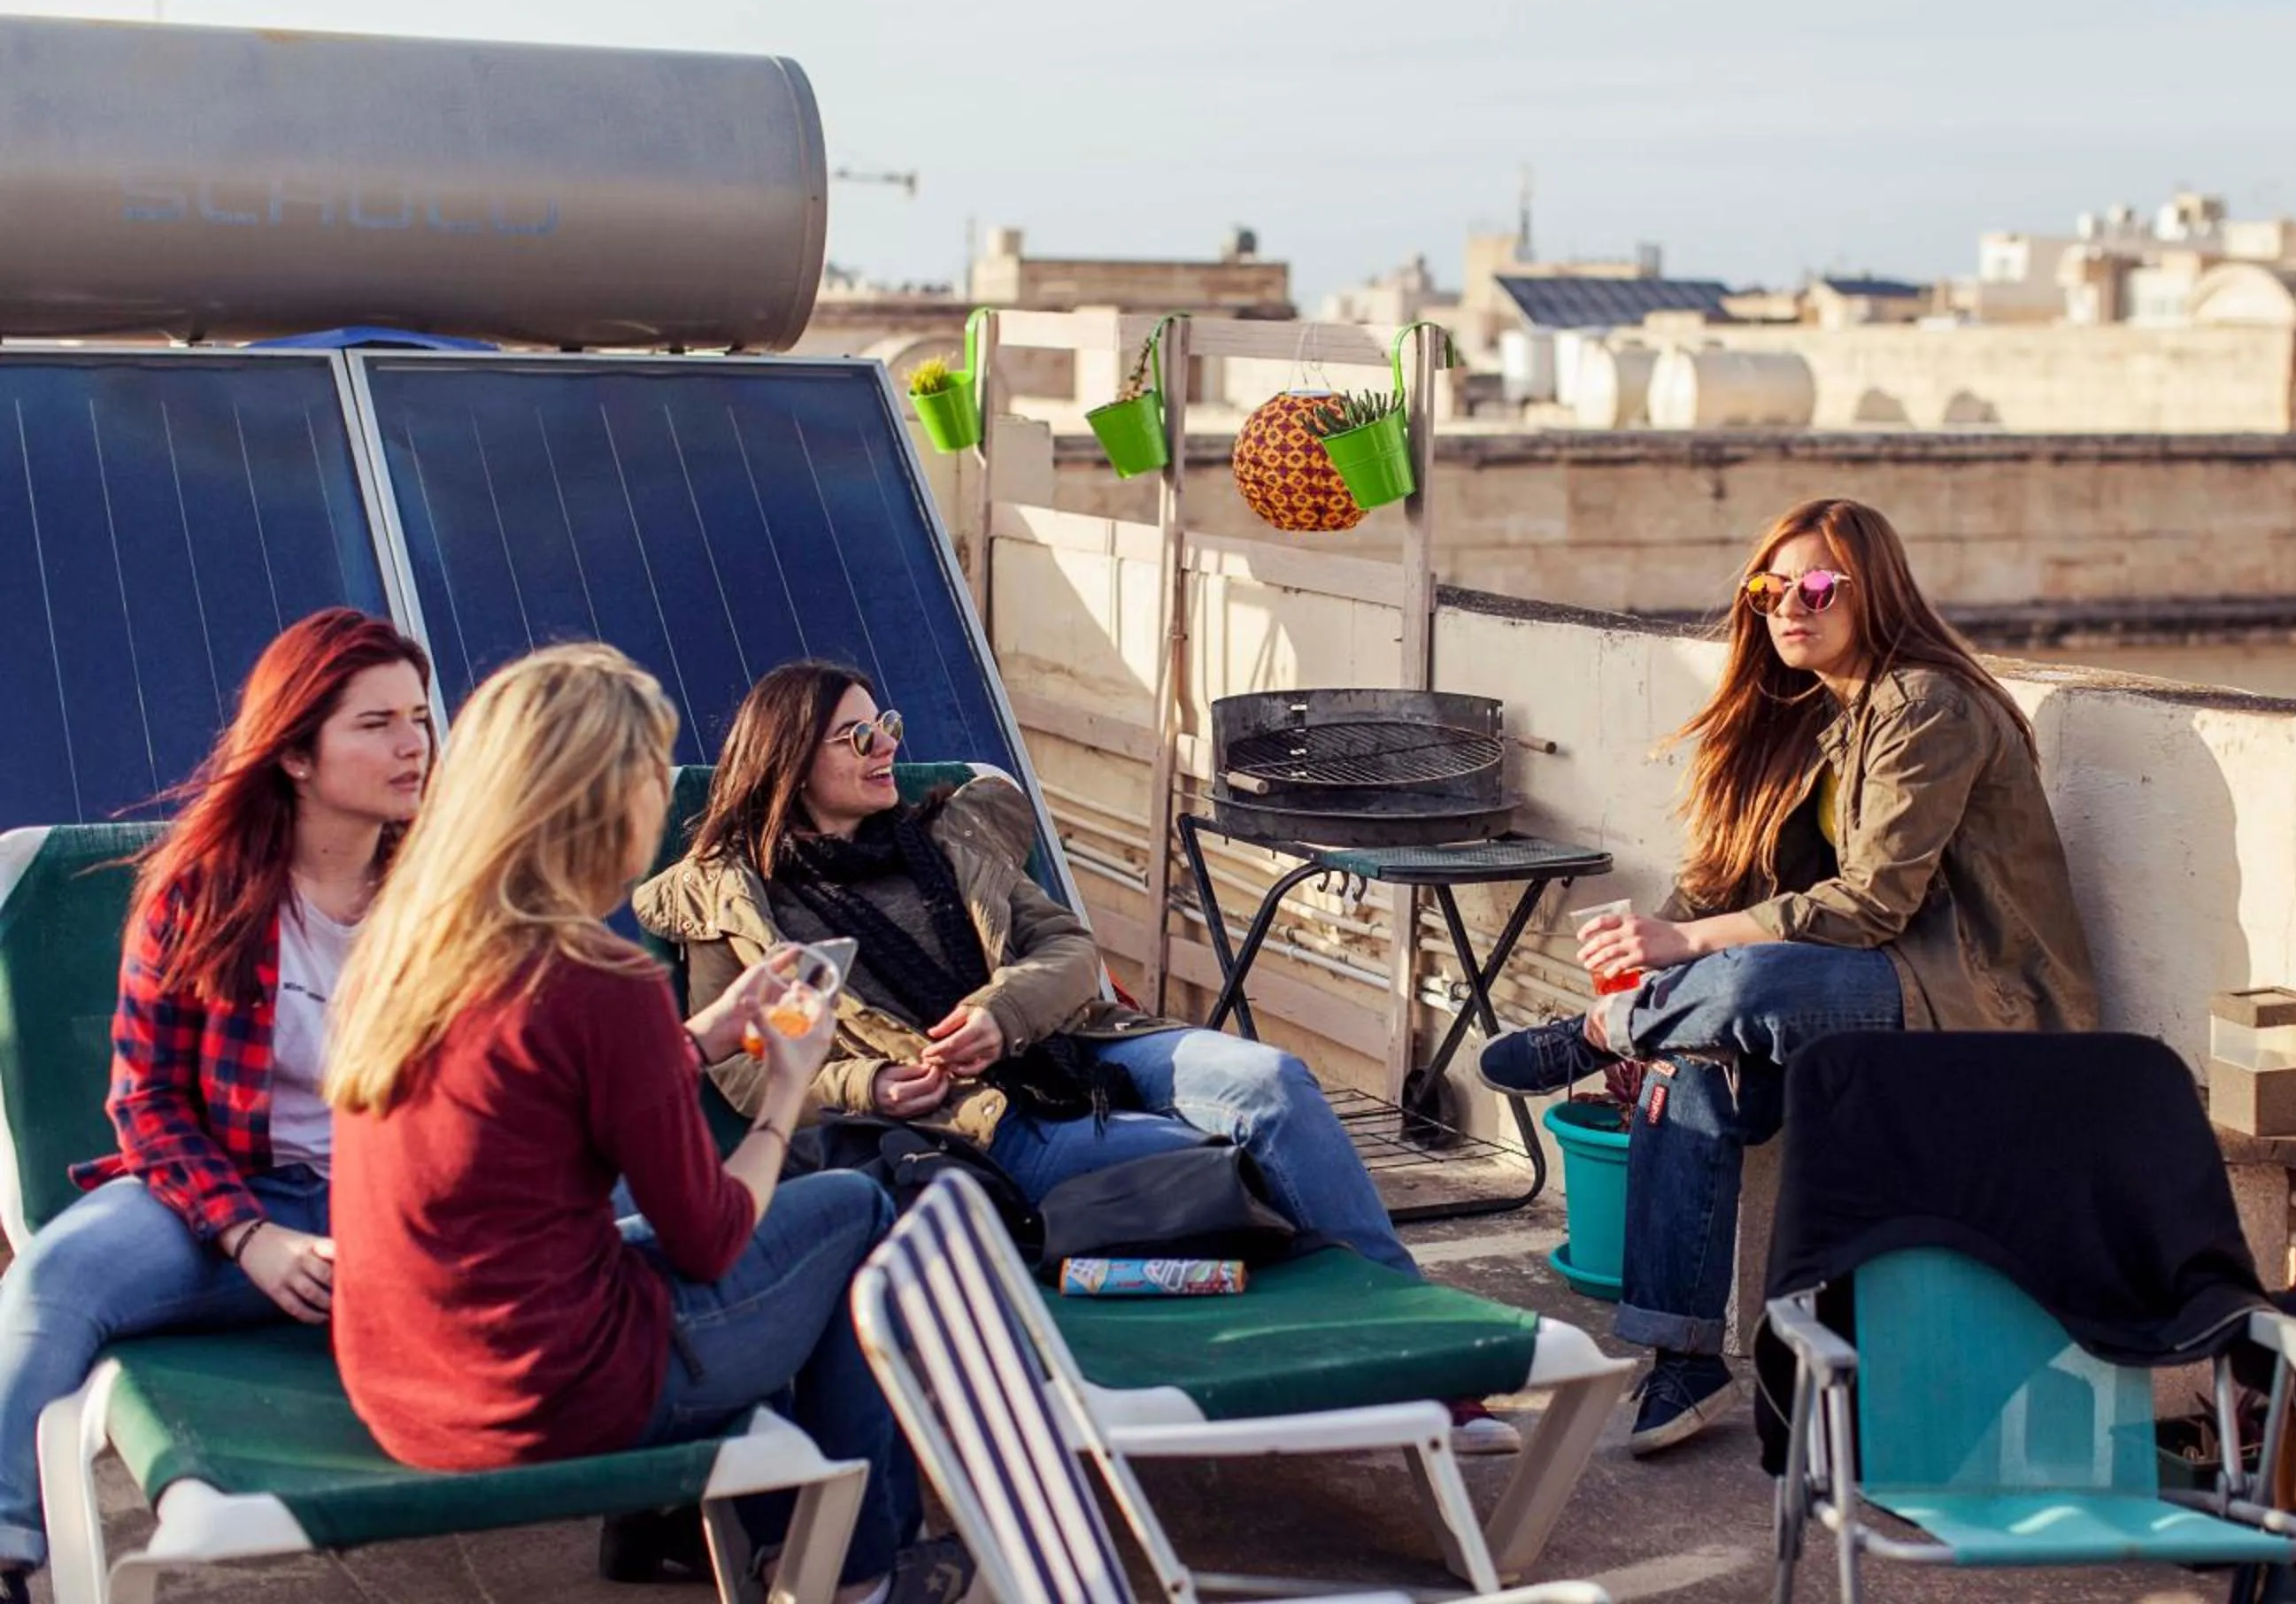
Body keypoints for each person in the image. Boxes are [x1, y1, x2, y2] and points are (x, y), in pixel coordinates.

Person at [634, 659, 1521, 1457]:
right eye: (859, 735)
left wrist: (1001, 1011)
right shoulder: (739, 900)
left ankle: (1426, 1355)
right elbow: (747, 1070)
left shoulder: (946, 838)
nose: (887, 748)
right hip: (973, 1118)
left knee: (1274, 1083)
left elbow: (1067, 948)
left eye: (889, 725)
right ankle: (1315, 1345)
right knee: (1202, 1167)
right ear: (792, 756)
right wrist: (871, 1081)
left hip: (1080, 1044)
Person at [323, 644, 967, 1604]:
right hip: (546, 1395)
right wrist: (788, 1082)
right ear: (603, 801)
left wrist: (708, 1034)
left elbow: (536, 1091)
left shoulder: (415, 942)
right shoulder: (595, 977)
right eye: (647, 777)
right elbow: (709, 1237)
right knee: (851, 1211)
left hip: (404, 1384)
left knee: (745, 1242)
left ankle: (784, 1543)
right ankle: (858, 1574)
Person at [1482, 497, 2100, 1455]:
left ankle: (1595, 1038)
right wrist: (1655, 949)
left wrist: (1667, 965)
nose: (1788, 607)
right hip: (1870, 993)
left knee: (1743, 987)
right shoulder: (1812, 716)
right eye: (1770, 588)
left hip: (1978, 1002)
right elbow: (1718, 877)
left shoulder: (1927, 704)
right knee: (1692, 1066)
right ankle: (1684, 1361)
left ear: (1876, 591)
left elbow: (1871, 908)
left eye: (1816, 587)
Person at [0, 610, 432, 1602]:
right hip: (233, 1199)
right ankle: (6, 1542)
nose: (412, 743)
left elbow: (547, 1065)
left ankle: (670, 1498)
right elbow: (143, 1099)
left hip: (405, 1203)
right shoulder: (204, 892)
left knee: (633, 1231)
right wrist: (247, 1233)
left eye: (417, 716)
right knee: (56, 1274)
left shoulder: (448, 885)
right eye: (375, 723)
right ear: (294, 751)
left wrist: (707, 1039)